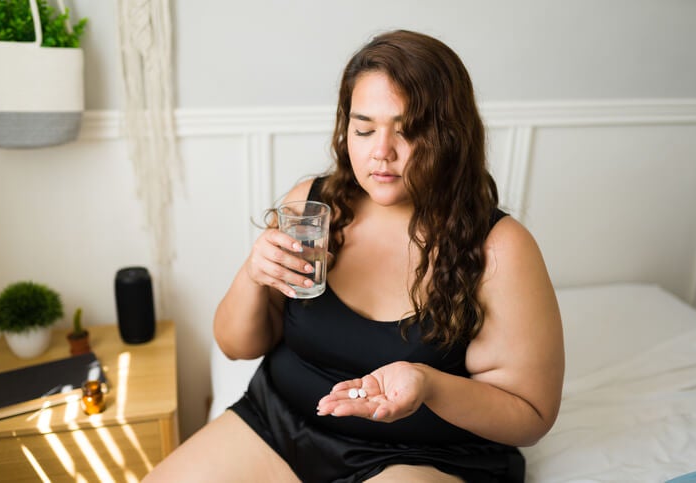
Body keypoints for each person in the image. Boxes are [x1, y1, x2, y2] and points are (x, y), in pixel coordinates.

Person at [144, 29, 564, 483]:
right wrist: (253, 273)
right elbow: (235, 346)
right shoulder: (311, 208)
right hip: (279, 425)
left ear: (451, 136)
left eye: (409, 131)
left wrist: (429, 385)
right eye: (364, 129)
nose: (381, 153)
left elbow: (531, 414)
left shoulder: (500, 246)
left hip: (420, 455)